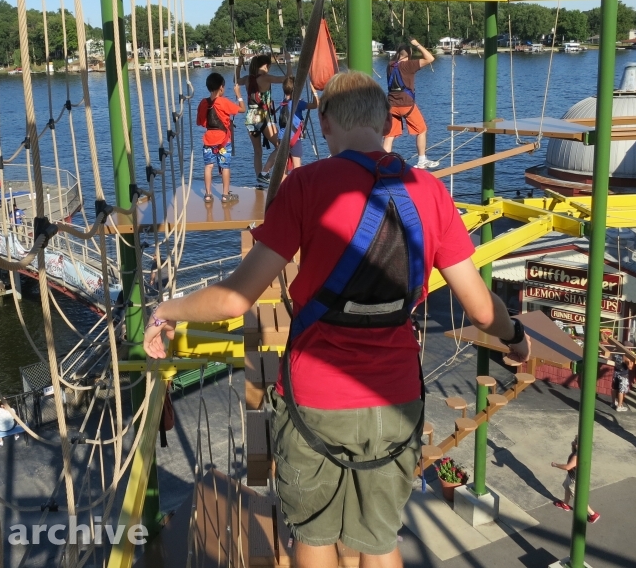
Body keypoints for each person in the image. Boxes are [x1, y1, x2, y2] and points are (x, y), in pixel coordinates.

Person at [145, 71, 530, 568]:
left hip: (315, 399)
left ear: (325, 124)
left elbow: (235, 299)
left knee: (315, 536)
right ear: (384, 119)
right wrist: (515, 337)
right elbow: (481, 310)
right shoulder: (430, 192)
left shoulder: (307, 185)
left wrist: (167, 310)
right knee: (379, 541)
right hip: (395, 397)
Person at [382, 40, 438, 169]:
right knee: (422, 130)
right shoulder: (409, 65)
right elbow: (430, 58)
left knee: (389, 135)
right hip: (406, 104)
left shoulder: (390, 65)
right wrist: (417, 44)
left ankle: (383, 163)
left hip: (391, 105)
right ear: (409, 54)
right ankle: (422, 160)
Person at [197, 71, 244, 204]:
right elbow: (242, 109)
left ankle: (207, 195)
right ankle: (224, 195)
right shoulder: (223, 102)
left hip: (208, 140)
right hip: (223, 141)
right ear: (221, 87)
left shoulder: (203, 103)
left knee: (208, 166)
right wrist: (238, 94)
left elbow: (201, 122)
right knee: (225, 167)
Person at [238, 54, 283, 184]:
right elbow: (286, 79)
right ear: (265, 65)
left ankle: (259, 179)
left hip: (250, 117)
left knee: (257, 152)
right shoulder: (266, 78)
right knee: (280, 147)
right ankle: (264, 172)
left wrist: (239, 65)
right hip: (263, 116)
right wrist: (289, 62)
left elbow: (236, 80)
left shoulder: (247, 79)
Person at [262, 76, 319, 176]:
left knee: (283, 169)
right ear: (296, 90)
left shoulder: (283, 103)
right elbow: (315, 105)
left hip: (282, 138)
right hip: (294, 139)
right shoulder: (298, 103)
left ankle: (269, 173)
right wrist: (314, 91)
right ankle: (296, 189)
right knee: (297, 168)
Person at [552, 437, 601, 523]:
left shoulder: (577, 456)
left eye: (576, 442)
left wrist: (556, 465)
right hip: (571, 476)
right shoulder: (580, 452)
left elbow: (568, 467)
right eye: (574, 441)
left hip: (575, 481)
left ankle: (593, 514)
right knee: (567, 487)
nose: (573, 443)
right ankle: (565, 504)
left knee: (579, 498)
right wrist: (573, 446)